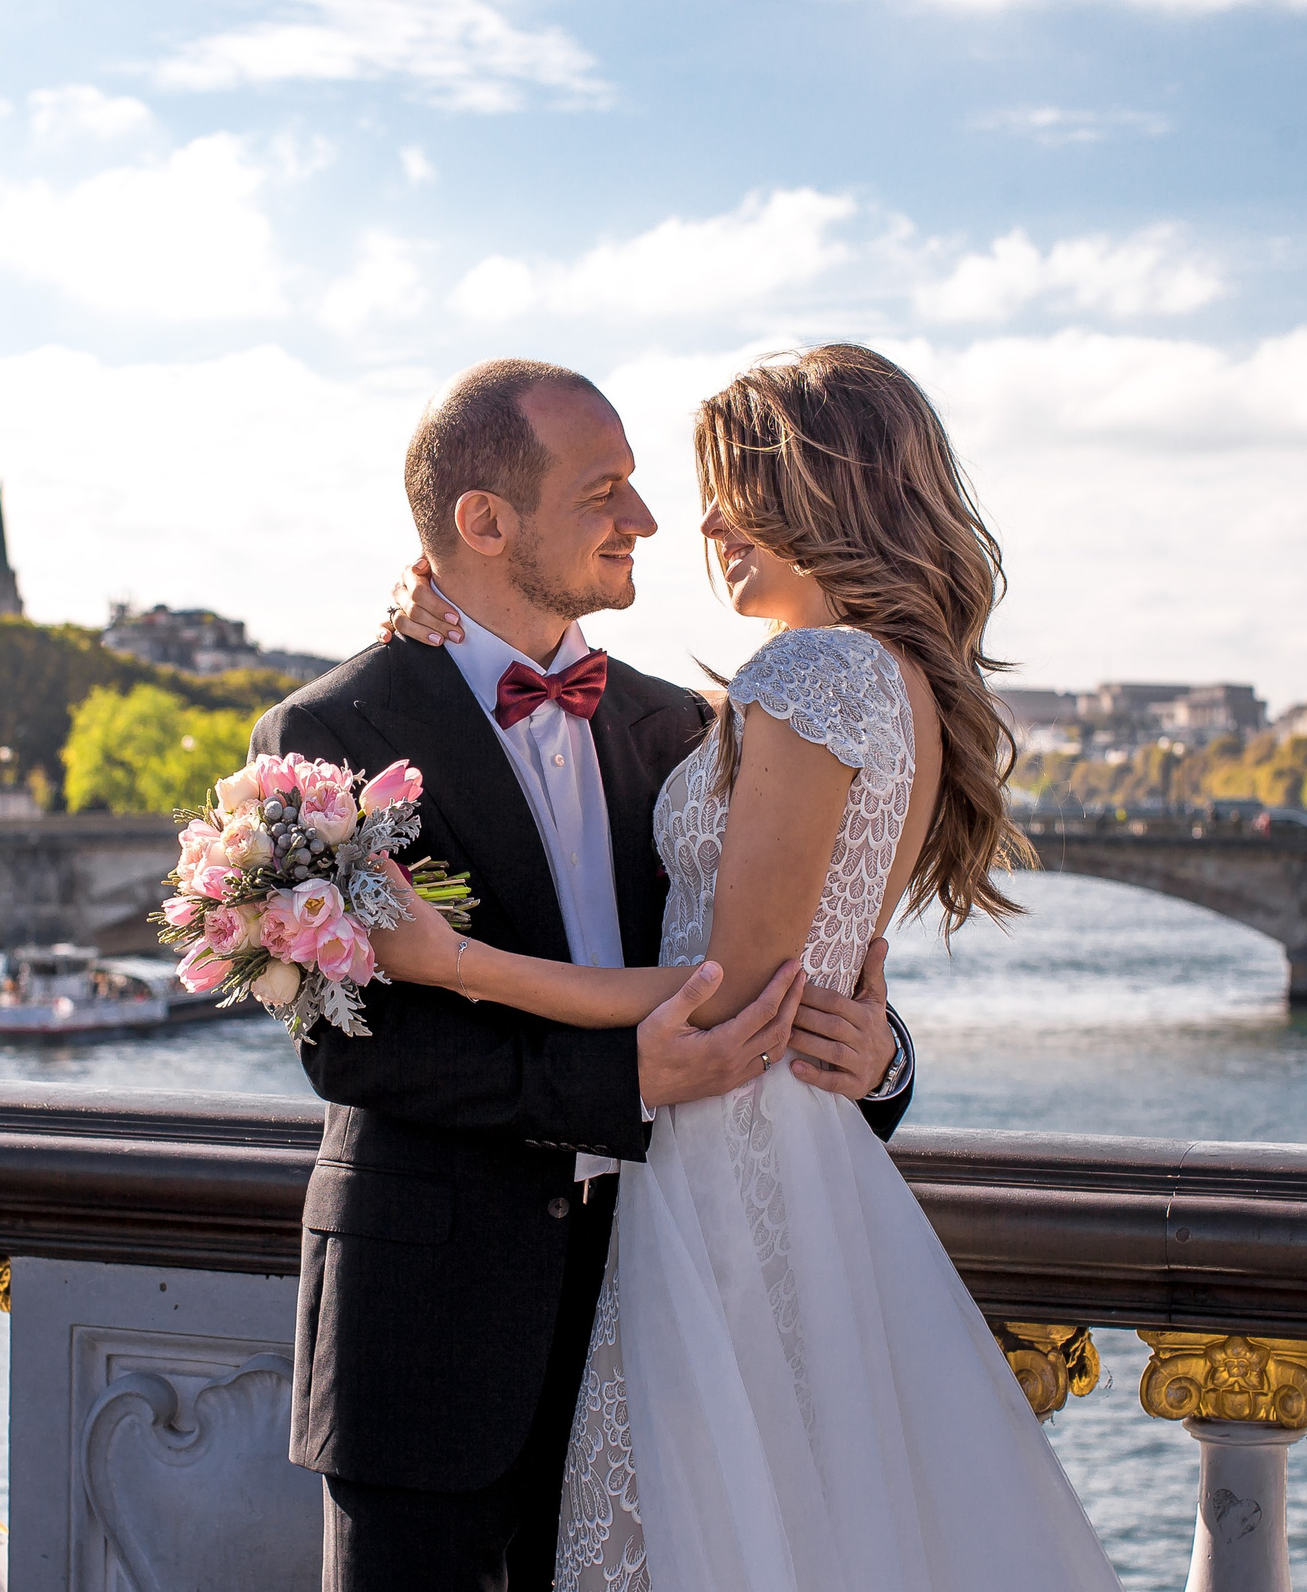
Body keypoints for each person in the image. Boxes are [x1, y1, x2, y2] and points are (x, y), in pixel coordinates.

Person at [362, 343, 1120, 1590]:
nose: (689, 521)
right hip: (517, 1292)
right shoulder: (837, 686)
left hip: (719, 1165)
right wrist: (431, 614)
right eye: (623, 487)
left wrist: (454, 960)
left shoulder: (800, 677)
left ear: (824, 492)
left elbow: (734, 983)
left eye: (735, 487)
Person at [249, 358, 919, 1592]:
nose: (647, 521)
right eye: (603, 490)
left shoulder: (681, 725)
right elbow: (351, 1044)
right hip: (435, 1340)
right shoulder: (328, 735)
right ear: (484, 523)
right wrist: (618, 1080)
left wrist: (882, 1059)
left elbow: (774, 958)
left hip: (669, 1312)